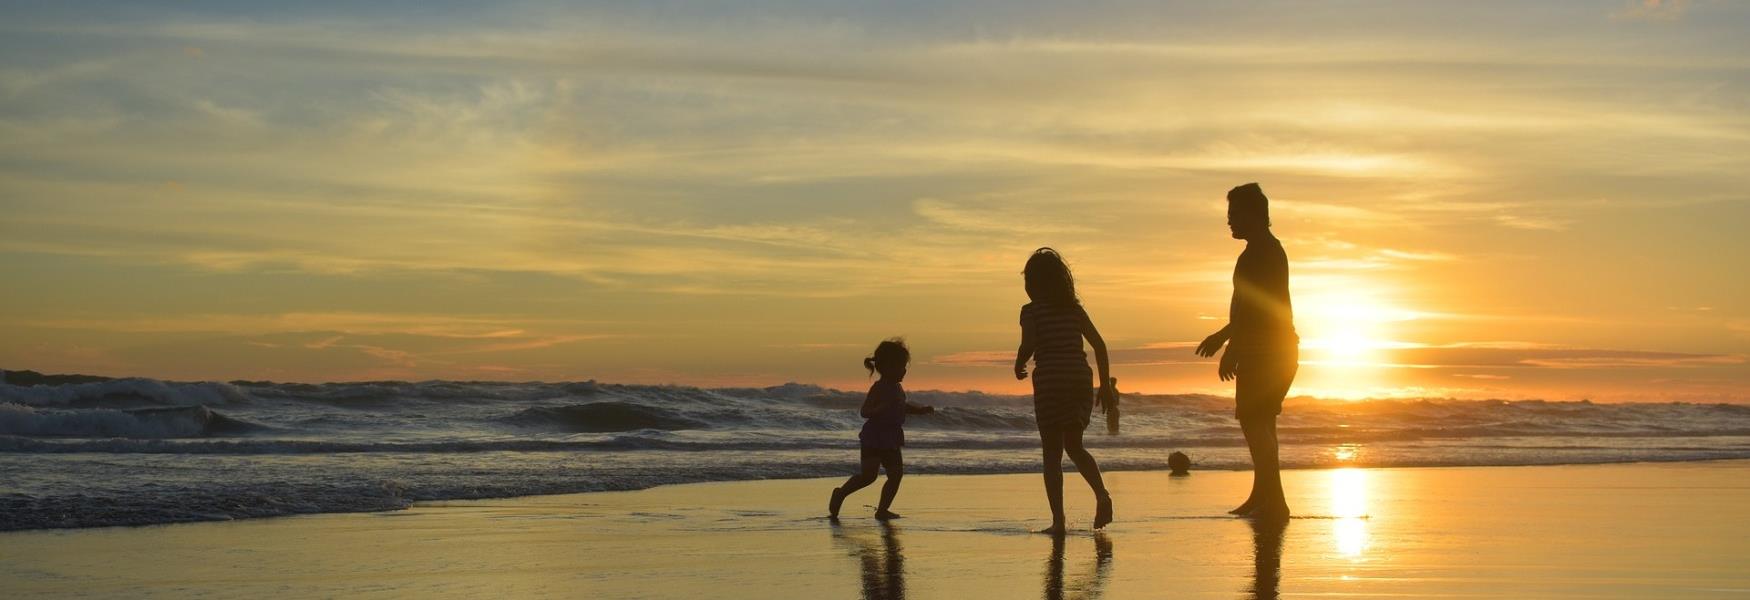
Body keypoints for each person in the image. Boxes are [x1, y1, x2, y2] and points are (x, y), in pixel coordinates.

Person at [1195, 183, 1299, 521]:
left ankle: (1275, 502)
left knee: (1255, 423)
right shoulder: (1264, 251)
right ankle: (1265, 496)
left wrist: (1231, 347)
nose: (1229, 221)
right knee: (1262, 423)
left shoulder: (1260, 254)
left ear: (1255, 215)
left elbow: (1255, 310)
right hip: (1275, 350)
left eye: (1234, 214)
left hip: (1266, 351)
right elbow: (1247, 309)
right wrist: (1224, 336)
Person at [1014, 247, 1116, 534]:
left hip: (1050, 382)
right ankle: (1102, 494)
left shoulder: (1030, 311)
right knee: (1074, 445)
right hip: (1077, 380)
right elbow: (1099, 345)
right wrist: (1105, 386)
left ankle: (1058, 521)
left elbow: (1029, 343)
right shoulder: (1073, 309)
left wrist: (1019, 362)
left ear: (1034, 284)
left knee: (1051, 453)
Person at [829, 338, 934, 520]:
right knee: (868, 476)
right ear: (886, 367)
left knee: (896, 475)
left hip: (891, 437)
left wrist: (920, 410)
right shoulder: (878, 388)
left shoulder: (898, 388)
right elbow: (865, 411)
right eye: (900, 366)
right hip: (874, 437)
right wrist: (879, 409)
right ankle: (841, 493)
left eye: (904, 366)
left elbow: (902, 406)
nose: (904, 370)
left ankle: (882, 510)